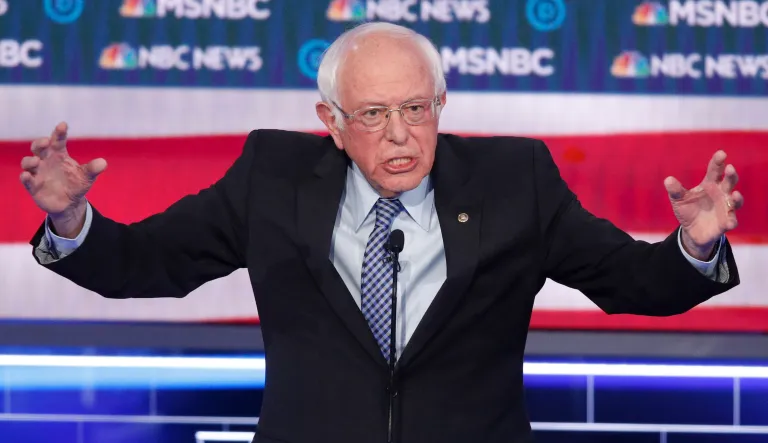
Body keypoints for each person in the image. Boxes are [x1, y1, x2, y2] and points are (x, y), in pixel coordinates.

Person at [20, 22, 742, 443]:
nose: (400, 134)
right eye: (372, 114)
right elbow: (149, 262)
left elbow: (631, 282)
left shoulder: (513, 180)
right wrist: (71, 219)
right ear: (330, 121)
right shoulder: (272, 177)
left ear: (441, 103)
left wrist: (697, 245)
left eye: (416, 109)